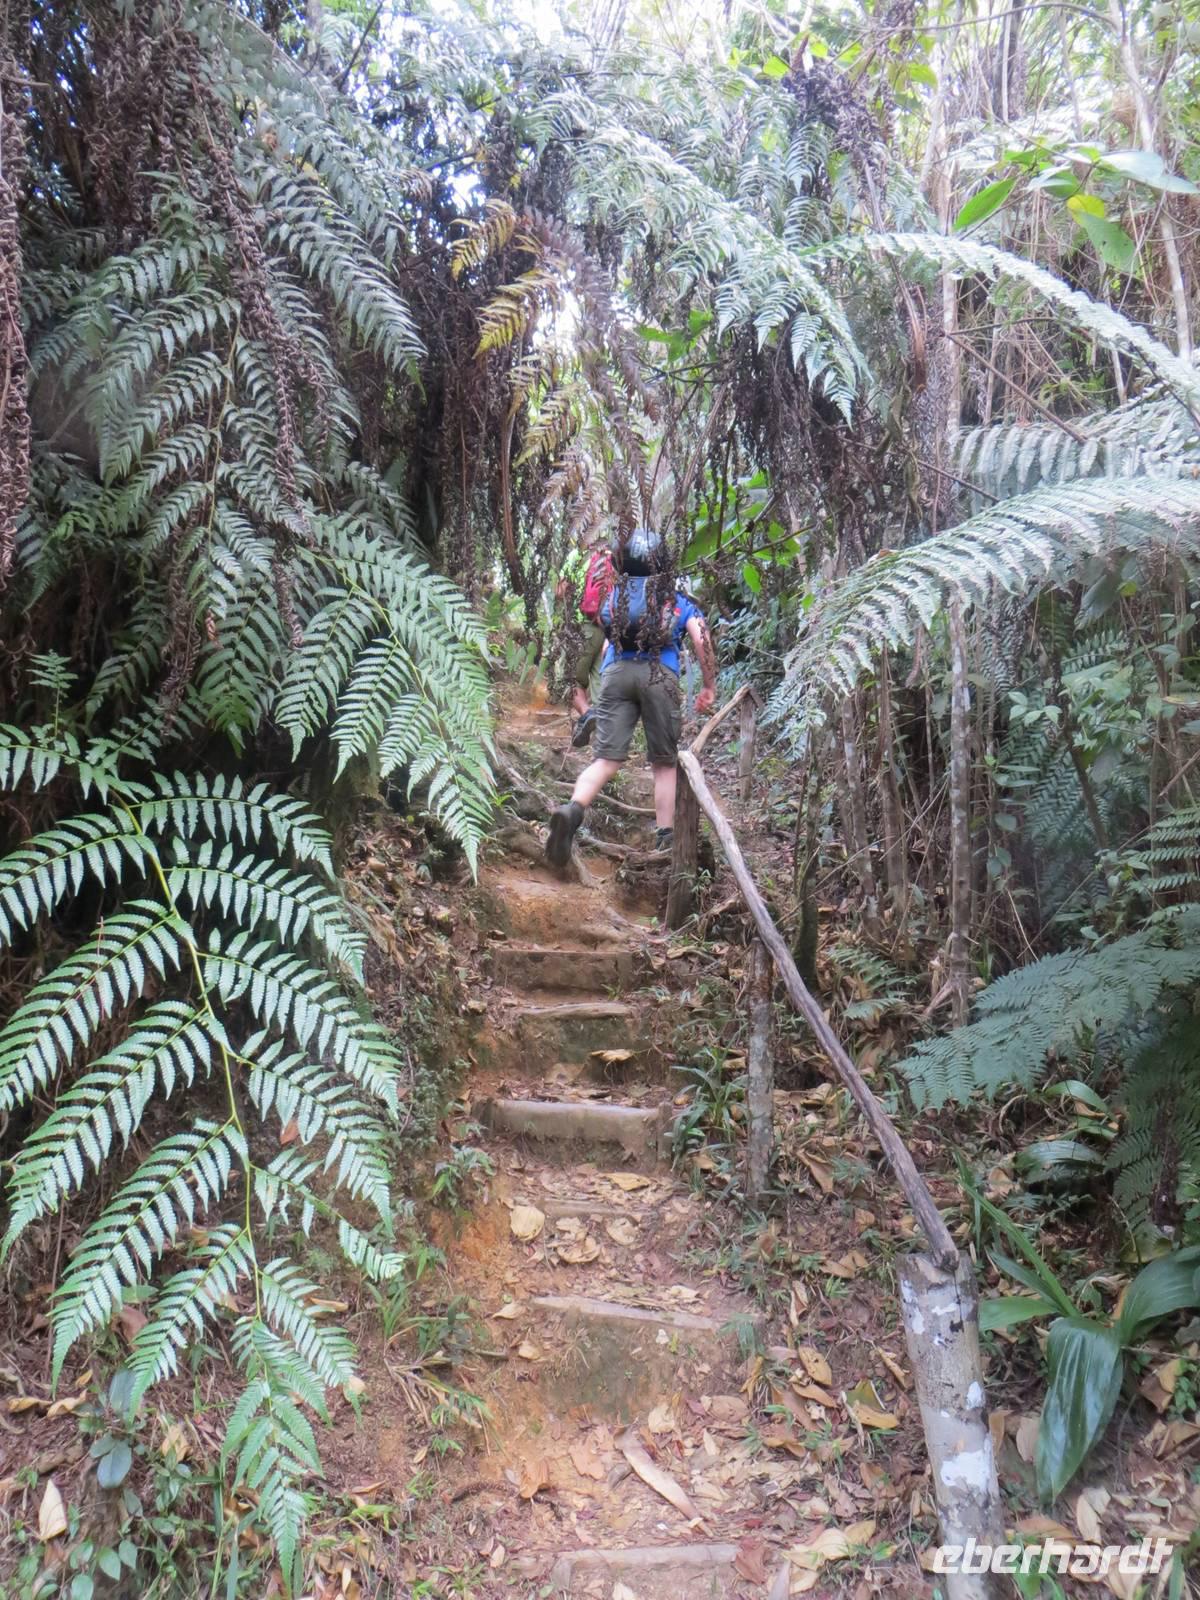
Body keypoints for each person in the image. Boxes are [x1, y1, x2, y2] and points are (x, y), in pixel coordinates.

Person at [546, 527, 716, 867]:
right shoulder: (675, 598)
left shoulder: (617, 596)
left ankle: (573, 809)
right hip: (660, 675)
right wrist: (708, 685)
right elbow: (702, 639)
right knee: (664, 764)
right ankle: (666, 839)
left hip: (616, 674)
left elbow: (609, 640)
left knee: (606, 760)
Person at [569, 537, 613, 749]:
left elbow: (561, 591)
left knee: (570, 680)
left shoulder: (577, 559)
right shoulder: (611, 561)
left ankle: (587, 715)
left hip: (582, 628)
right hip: (606, 629)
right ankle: (603, 744)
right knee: (598, 683)